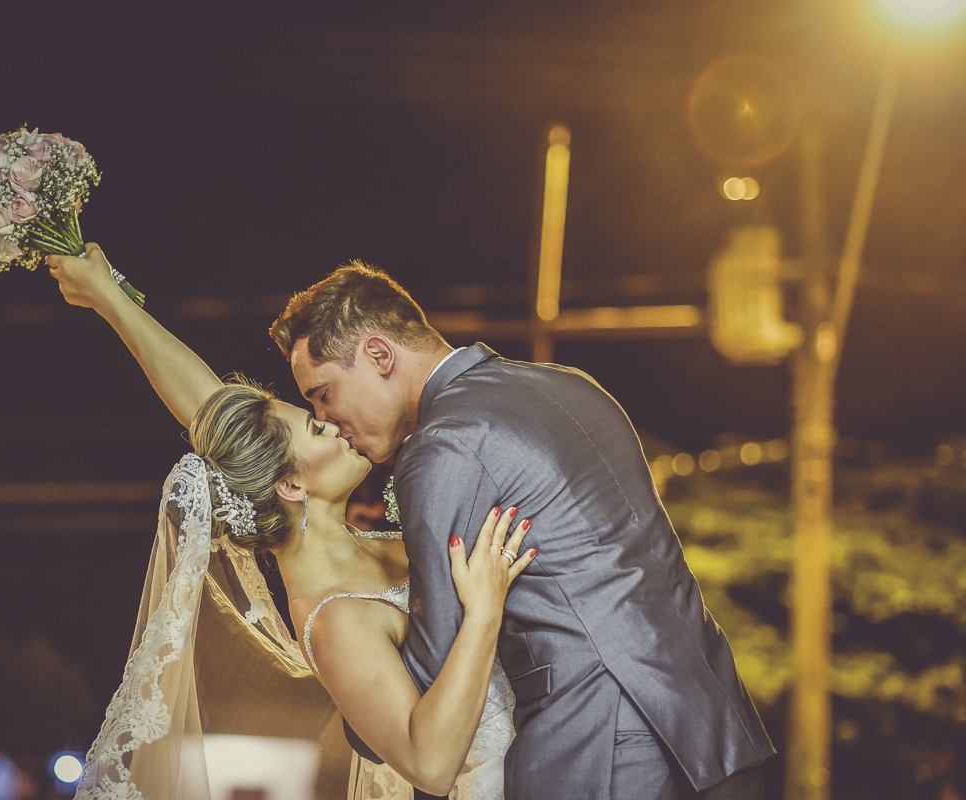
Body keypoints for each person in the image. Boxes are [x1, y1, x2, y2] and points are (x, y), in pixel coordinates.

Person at [269, 262, 776, 799]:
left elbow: (433, 674)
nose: (326, 415)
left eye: (323, 393)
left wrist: (356, 686)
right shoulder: (569, 384)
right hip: (716, 727)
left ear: (378, 355)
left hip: (597, 753)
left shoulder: (443, 449)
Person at [46, 245, 532, 800]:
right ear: (293, 486)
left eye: (324, 409)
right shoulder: (334, 624)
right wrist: (484, 613)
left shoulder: (381, 539)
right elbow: (429, 763)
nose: (334, 420)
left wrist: (109, 296)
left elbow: (213, 410)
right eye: (318, 424)